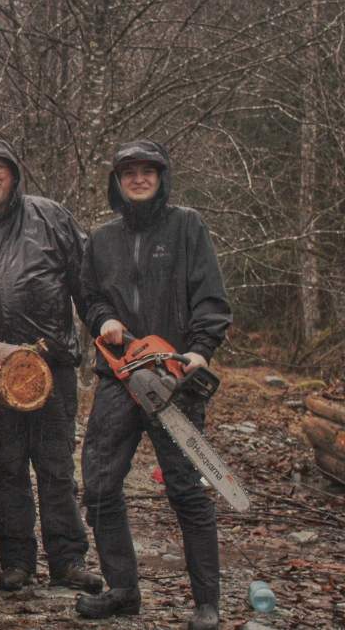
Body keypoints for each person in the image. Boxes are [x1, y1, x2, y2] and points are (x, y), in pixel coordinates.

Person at [77, 140, 232, 630]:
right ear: (117, 181)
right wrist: (105, 321)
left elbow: (211, 297)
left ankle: (207, 602)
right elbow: (90, 296)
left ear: (161, 178)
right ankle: (123, 589)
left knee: (186, 489)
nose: (139, 179)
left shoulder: (187, 227)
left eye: (148, 171)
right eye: (130, 172)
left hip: (174, 377)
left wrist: (199, 352)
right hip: (120, 376)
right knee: (100, 485)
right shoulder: (101, 240)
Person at [0, 139, 102, 594]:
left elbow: (87, 284)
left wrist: (105, 335)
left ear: (15, 174)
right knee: (6, 466)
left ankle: (68, 560)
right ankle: (16, 561)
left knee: (55, 466)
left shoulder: (51, 217)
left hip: (50, 366)